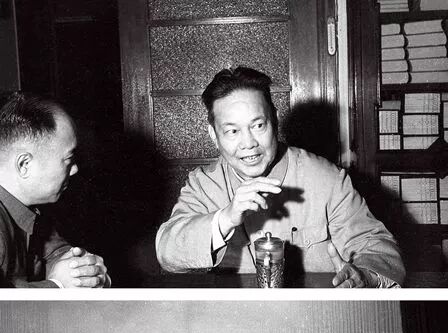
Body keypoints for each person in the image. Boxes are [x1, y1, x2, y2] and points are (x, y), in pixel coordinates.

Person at [156, 66, 405, 288]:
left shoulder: (326, 178)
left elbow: (377, 246)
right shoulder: (205, 184)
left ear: (274, 120)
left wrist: (365, 275)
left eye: (258, 126)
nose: (248, 143)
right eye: (232, 131)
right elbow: (167, 251)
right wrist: (226, 218)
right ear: (213, 135)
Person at [0, 91, 110, 288]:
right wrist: (57, 286)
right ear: (24, 164)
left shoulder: (28, 208)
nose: (75, 169)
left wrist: (85, 270)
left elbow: (55, 252)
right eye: (68, 159)